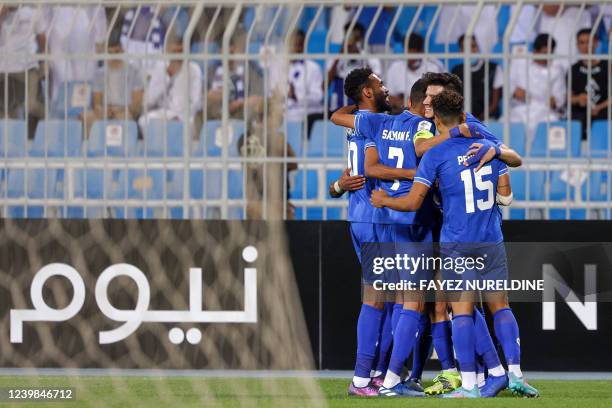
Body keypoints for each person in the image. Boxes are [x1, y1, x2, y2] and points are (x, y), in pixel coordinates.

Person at [371, 90, 539, 398]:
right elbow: (507, 193)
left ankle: (471, 385)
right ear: (463, 116)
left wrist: (384, 200)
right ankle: (515, 374)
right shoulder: (488, 147)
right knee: (500, 307)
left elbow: (412, 203)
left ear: (435, 118)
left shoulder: (435, 155)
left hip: (457, 243)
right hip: (491, 240)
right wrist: (495, 154)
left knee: (461, 310)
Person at [329, 68, 418, 396]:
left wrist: (338, 185)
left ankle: (381, 373)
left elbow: (336, 117)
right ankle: (362, 378)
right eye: (379, 84)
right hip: (373, 217)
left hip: (369, 216)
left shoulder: (362, 121)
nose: (385, 88)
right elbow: (368, 168)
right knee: (378, 297)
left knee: (391, 296)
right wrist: (416, 175)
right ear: (367, 91)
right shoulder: (373, 124)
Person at [81, 26, 144, 132]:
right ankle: (94, 148)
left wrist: (120, 110)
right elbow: (97, 103)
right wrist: (103, 111)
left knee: (124, 118)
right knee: (86, 117)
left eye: (117, 52)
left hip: (124, 111)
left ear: (122, 50)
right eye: (110, 53)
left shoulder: (134, 72)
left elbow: (136, 105)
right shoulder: (99, 74)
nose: (114, 56)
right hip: (105, 111)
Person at [509, 33, 566, 141]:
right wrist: (515, 93)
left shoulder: (557, 68)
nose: (547, 57)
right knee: (509, 126)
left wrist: (555, 101)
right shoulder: (519, 62)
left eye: (550, 53)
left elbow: (560, 98)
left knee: (554, 125)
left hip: (545, 112)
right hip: (520, 109)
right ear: (535, 51)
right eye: (544, 53)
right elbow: (509, 88)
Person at [139, 39, 202, 136]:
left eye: (180, 51)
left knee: (186, 124)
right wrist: (167, 76)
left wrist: (180, 116)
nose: (177, 55)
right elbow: (148, 100)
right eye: (175, 52)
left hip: (184, 115)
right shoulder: (161, 68)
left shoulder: (194, 69)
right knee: (144, 121)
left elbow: (196, 101)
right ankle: (155, 150)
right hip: (164, 113)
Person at [0, 6, 47, 136]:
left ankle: (48, 122)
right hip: (4, 69)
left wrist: (44, 62)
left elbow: (42, 36)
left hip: (28, 66)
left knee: (31, 105)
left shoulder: (33, 9)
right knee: (8, 111)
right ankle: (16, 145)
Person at [327, 23, 382, 112]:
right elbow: (326, 84)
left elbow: (376, 84)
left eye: (355, 38)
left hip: (364, 108)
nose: (351, 41)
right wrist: (339, 56)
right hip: (339, 108)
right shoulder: (335, 59)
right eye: (348, 36)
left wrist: (360, 55)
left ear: (361, 39)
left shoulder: (371, 59)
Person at [385, 34, 442, 113]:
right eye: (408, 52)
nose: (410, 58)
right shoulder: (395, 68)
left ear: (421, 52)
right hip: (400, 113)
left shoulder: (433, 67)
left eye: (413, 53)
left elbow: (438, 97)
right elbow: (389, 97)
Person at [451, 34, 503, 120]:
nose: (470, 51)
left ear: (479, 47)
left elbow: (495, 102)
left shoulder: (494, 69)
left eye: (473, 46)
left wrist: (479, 119)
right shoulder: (456, 71)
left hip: (489, 119)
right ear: (461, 51)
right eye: (466, 48)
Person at [570, 28, 609, 140]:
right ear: (577, 45)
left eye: (589, 41)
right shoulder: (574, 70)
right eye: (582, 42)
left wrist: (598, 108)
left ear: (596, 43)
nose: (586, 46)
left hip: (604, 110)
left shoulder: (607, 66)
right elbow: (569, 98)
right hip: (581, 113)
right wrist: (577, 99)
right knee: (575, 117)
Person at [286, 30, 323, 123]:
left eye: (297, 45)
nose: (293, 48)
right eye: (290, 45)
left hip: (305, 117)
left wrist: (297, 97)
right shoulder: (278, 67)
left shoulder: (313, 68)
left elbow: (318, 96)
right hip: (282, 117)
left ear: (303, 46)